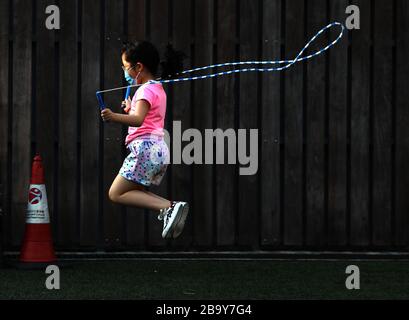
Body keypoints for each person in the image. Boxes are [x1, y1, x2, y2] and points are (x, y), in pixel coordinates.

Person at [101, 41, 189, 239]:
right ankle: (170, 208)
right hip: (157, 149)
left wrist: (113, 116)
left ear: (138, 67)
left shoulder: (145, 91)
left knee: (116, 193)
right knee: (136, 191)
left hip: (145, 149)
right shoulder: (156, 88)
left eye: (126, 67)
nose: (125, 73)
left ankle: (169, 206)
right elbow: (147, 115)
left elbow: (138, 120)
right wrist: (131, 106)